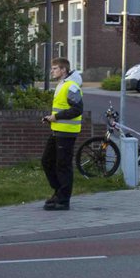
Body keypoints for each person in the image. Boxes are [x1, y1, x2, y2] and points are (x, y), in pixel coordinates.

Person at [41, 57, 84, 210]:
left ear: (63, 70)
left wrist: (56, 117)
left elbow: (77, 109)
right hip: (57, 131)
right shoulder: (62, 85)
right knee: (47, 161)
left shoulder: (71, 87)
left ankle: (63, 200)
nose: (51, 71)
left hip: (67, 133)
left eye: (54, 68)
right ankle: (59, 192)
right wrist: (50, 118)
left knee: (63, 166)